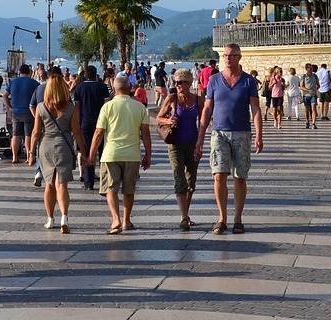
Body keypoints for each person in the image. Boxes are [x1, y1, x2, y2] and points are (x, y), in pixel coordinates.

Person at [197, 42, 263, 235]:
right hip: (219, 132)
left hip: (242, 132)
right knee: (219, 175)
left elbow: (255, 109)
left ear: (239, 57)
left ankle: (238, 219)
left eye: (232, 55)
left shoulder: (249, 81)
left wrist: (259, 134)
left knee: (240, 177)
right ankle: (221, 218)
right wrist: (201, 136)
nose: (227, 58)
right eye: (225, 55)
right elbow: (207, 109)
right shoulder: (214, 80)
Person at [86, 73, 152, 234]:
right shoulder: (140, 107)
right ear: (130, 88)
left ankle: (115, 219)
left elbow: (98, 133)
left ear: (114, 89)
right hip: (132, 154)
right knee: (129, 190)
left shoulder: (107, 107)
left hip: (111, 154)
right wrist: (148, 155)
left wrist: (91, 155)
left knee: (111, 188)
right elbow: (145, 134)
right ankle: (126, 220)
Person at [28, 72, 82, 233]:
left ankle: (50, 219)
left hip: (46, 146)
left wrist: (31, 152)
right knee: (62, 185)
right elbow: (77, 132)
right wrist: (84, 152)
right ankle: (64, 217)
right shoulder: (71, 107)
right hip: (64, 146)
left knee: (49, 185)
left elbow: (36, 132)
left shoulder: (41, 107)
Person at [158, 68, 202, 230]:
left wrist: (201, 142)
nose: (178, 85)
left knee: (191, 181)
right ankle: (183, 216)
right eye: (176, 82)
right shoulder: (172, 99)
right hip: (175, 144)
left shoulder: (198, 100)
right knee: (179, 178)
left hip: (192, 143)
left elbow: (204, 121)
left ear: (189, 83)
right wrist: (170, 121)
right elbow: (159, 117)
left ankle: (186, 213)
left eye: (181, 82)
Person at [73, 65, 109, 191]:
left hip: (85, 124)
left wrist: (76, 123)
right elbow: (107, 105)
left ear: (85, 75)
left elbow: (77, 108)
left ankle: (89, 182)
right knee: (103, 153)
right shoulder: (103, 87)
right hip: (101, 123)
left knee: (88, 151)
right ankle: (106, 180)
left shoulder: (79, 88)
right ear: (96, 75)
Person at [3, 64, 38, 164]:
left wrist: (9, 107)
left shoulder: (13, 82)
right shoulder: (34, 83)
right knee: (28, 135)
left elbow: (5, 95)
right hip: (29, 111)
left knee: (15, 135)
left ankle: (14, 157)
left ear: (19, 72)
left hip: (15, 112)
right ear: (29, 72)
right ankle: (28, 156)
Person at [300, 64, 318, 129]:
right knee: (307, 110)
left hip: (313, 95)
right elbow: (301, 86)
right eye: (310, 68)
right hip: (306, 96)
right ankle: (307, 121)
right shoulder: (304, 76)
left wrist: (316, 88)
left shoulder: (315, 76)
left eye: (312, 68)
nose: (311, 69)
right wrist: (308, 90)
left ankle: (313, 123)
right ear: (307, 69)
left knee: (314, 109)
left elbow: (318, 85)